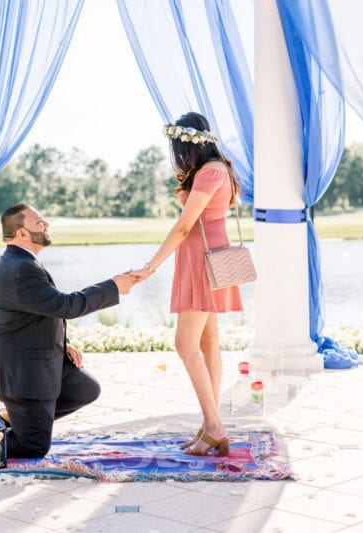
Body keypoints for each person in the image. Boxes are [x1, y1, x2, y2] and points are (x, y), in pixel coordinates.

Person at [0, 203, 136, 459]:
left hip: (35, 358)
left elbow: (39, 311)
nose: (47, 224)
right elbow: (65, 305)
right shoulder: (22, 269)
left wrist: (64, 342)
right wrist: (113, 287)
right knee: (34, 447)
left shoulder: (20, 262)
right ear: (22, 234)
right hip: (21, 372)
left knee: (85, 389)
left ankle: (19, 421)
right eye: (39, 221)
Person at [131, 112, 243, 456]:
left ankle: (214, 426)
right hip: (206, 261)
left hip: (200, 265)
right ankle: (210, 424)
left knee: (186, 346)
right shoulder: (217, 169)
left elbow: (184, 226)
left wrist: (150, 266)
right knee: (209, 345)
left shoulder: (210, 172)